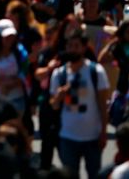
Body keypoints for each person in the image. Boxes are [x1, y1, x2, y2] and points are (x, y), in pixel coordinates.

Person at [50, 30, 111, 179]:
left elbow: (103, 105)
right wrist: (59, 97)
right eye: (70, 46)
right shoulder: (59, 74)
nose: (73, 50)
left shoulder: (96, 71)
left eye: (76, 46)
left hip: (92, 137)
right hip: (68, 137)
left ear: (84, 48)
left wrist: (103, 132)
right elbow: (54, 105)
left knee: (94, 174)